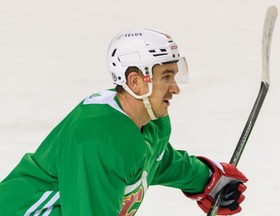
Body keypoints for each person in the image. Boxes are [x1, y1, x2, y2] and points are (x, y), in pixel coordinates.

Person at [0, 28, 248, 215]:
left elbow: (154, 161)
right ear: (135, 81)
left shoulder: (145, 124)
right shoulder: (99, 140)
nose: (175, 88)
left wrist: (206, 179)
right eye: (166, 76)